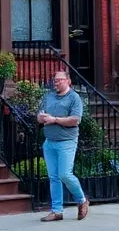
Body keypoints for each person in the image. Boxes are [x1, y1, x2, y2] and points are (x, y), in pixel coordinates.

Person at [36, 70, 90, 222]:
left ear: (68, 81)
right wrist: (40, 117)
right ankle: (57, 211)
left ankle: (82, 200)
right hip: (49, 142)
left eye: (59, 80)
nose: (56, 83)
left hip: (66, 142)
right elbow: (40, 113)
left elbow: (75, 120)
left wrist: (55, 120)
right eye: (55, 80)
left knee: (65, 174)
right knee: (54, 177)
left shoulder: (74, 98)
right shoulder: (49, 97)